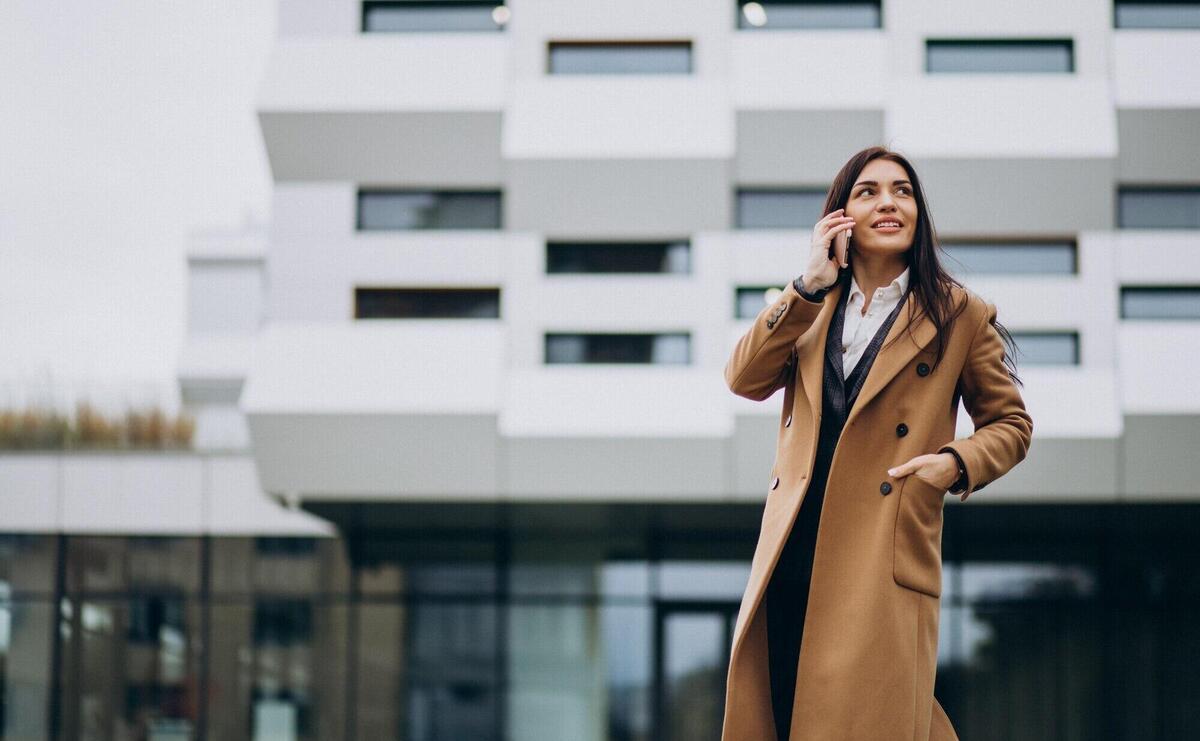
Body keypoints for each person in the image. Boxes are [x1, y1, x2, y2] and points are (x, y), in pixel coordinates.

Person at [720, 146, 1033, 740]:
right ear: (841, 218)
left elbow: (1011, 425)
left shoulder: (959, 313)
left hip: (883, 551)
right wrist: (808, 284)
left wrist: (953, 463)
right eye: (868, 191)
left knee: (876, 720)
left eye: (903, 191)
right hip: (794, 547)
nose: (888, 202)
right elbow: (744, 379)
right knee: (785, 713)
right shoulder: (808, 305)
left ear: (918, 214)